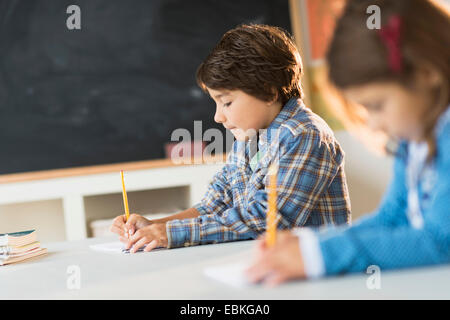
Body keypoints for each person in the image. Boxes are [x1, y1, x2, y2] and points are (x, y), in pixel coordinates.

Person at [245, 0, 450, 286]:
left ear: (427, 74)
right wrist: (311, 242)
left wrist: (320, 255)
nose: (375, 124)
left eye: (377, 105)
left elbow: (441, 242)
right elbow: (392, 217)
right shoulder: (414, 142)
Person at [110, 24, 351, 253]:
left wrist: (170, 232)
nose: (217, 117)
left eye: (227, 102)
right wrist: (155, 226)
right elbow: (215, 204)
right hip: (267, 265)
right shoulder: (249, 138)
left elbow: (267, 219)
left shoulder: (304, 135)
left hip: (313, 276)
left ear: (268, 92)